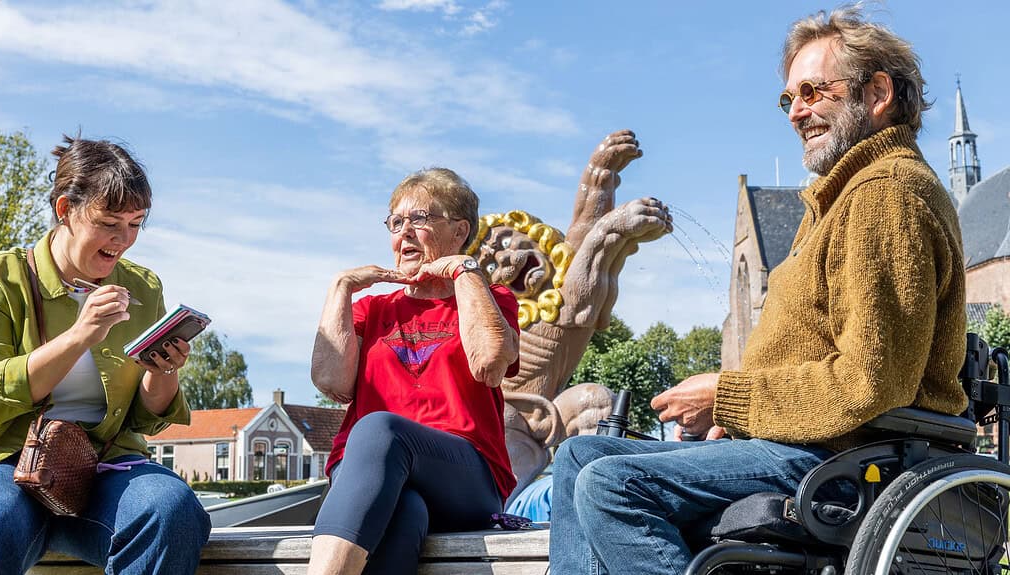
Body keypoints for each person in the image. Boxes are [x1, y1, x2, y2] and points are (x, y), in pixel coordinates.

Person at [550, 6, 967, 575]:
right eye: (788, 98)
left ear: (877, 93)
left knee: (611, 485)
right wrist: (743, 417)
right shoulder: (837, 199)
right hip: (804, 443)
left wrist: (728, 398)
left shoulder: (885, 196)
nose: (796, 112)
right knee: (577, 454)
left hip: (846, 461)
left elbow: (873, 380)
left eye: (814, 92)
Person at [0, 135, 211, 574]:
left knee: (170, 509)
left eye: (135, 223)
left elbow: (148, 421)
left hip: (106, 465)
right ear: (66, 210)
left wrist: (162, 372)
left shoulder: (143, 288)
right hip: (7, 465)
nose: (123, 239)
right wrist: (80, 335)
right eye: (109, 222)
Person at [308, 168, 520, 575]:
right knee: (405, 511)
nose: (404, 232)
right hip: (371, 476)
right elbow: (331, 381)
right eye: (395, 222)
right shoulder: (372, 310)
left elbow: (491, 364)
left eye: (419, 219)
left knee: (378, 429)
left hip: (466, 477)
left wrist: (466, 273)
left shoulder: (492, 299)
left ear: (459, 232)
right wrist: (341, 287)